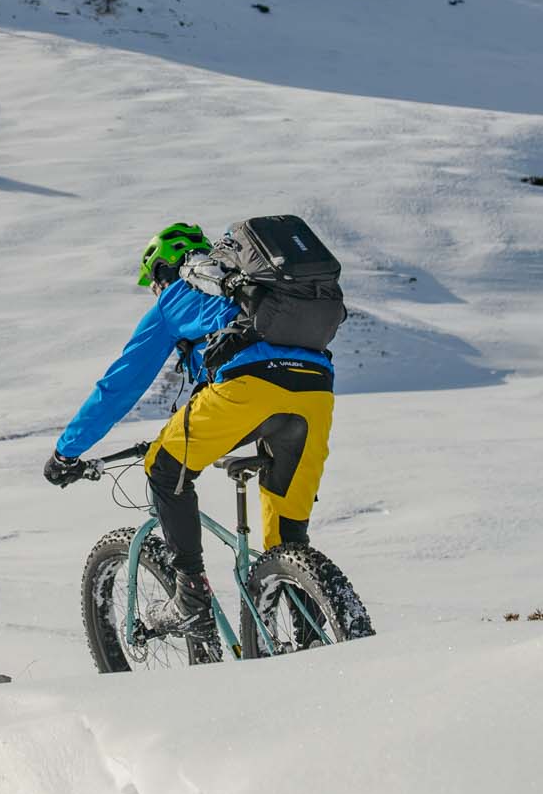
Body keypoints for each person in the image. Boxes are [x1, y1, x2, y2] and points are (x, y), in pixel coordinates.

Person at [44, 221, 335, 641]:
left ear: (162, 270)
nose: (156, 291)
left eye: (153, 282)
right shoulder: (256, 292)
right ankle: (313, 631)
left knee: (164, 467)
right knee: (287, 536)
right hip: (314, 392)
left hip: (246, 389)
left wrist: (66, 452)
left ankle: (190, 598)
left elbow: (120, 386)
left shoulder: (176, 296)